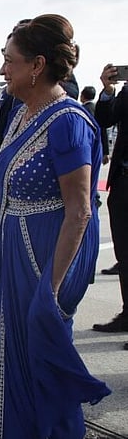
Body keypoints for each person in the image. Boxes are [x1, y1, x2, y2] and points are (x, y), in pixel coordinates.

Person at [0, 13, 111, 439]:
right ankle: (13, 430)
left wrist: (50, 289)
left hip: (50, 251)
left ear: (37, 65)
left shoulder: (69, 121)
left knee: (37, 353)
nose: (2, 69)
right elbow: (1, 190)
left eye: (9, 61)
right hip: (10, 243)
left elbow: (80, 210)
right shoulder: (19, 111)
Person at [92, 66, 128, 333]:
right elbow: (105, 119)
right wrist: (107, 90)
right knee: (124, 252)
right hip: (123, 179)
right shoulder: (125, 91)